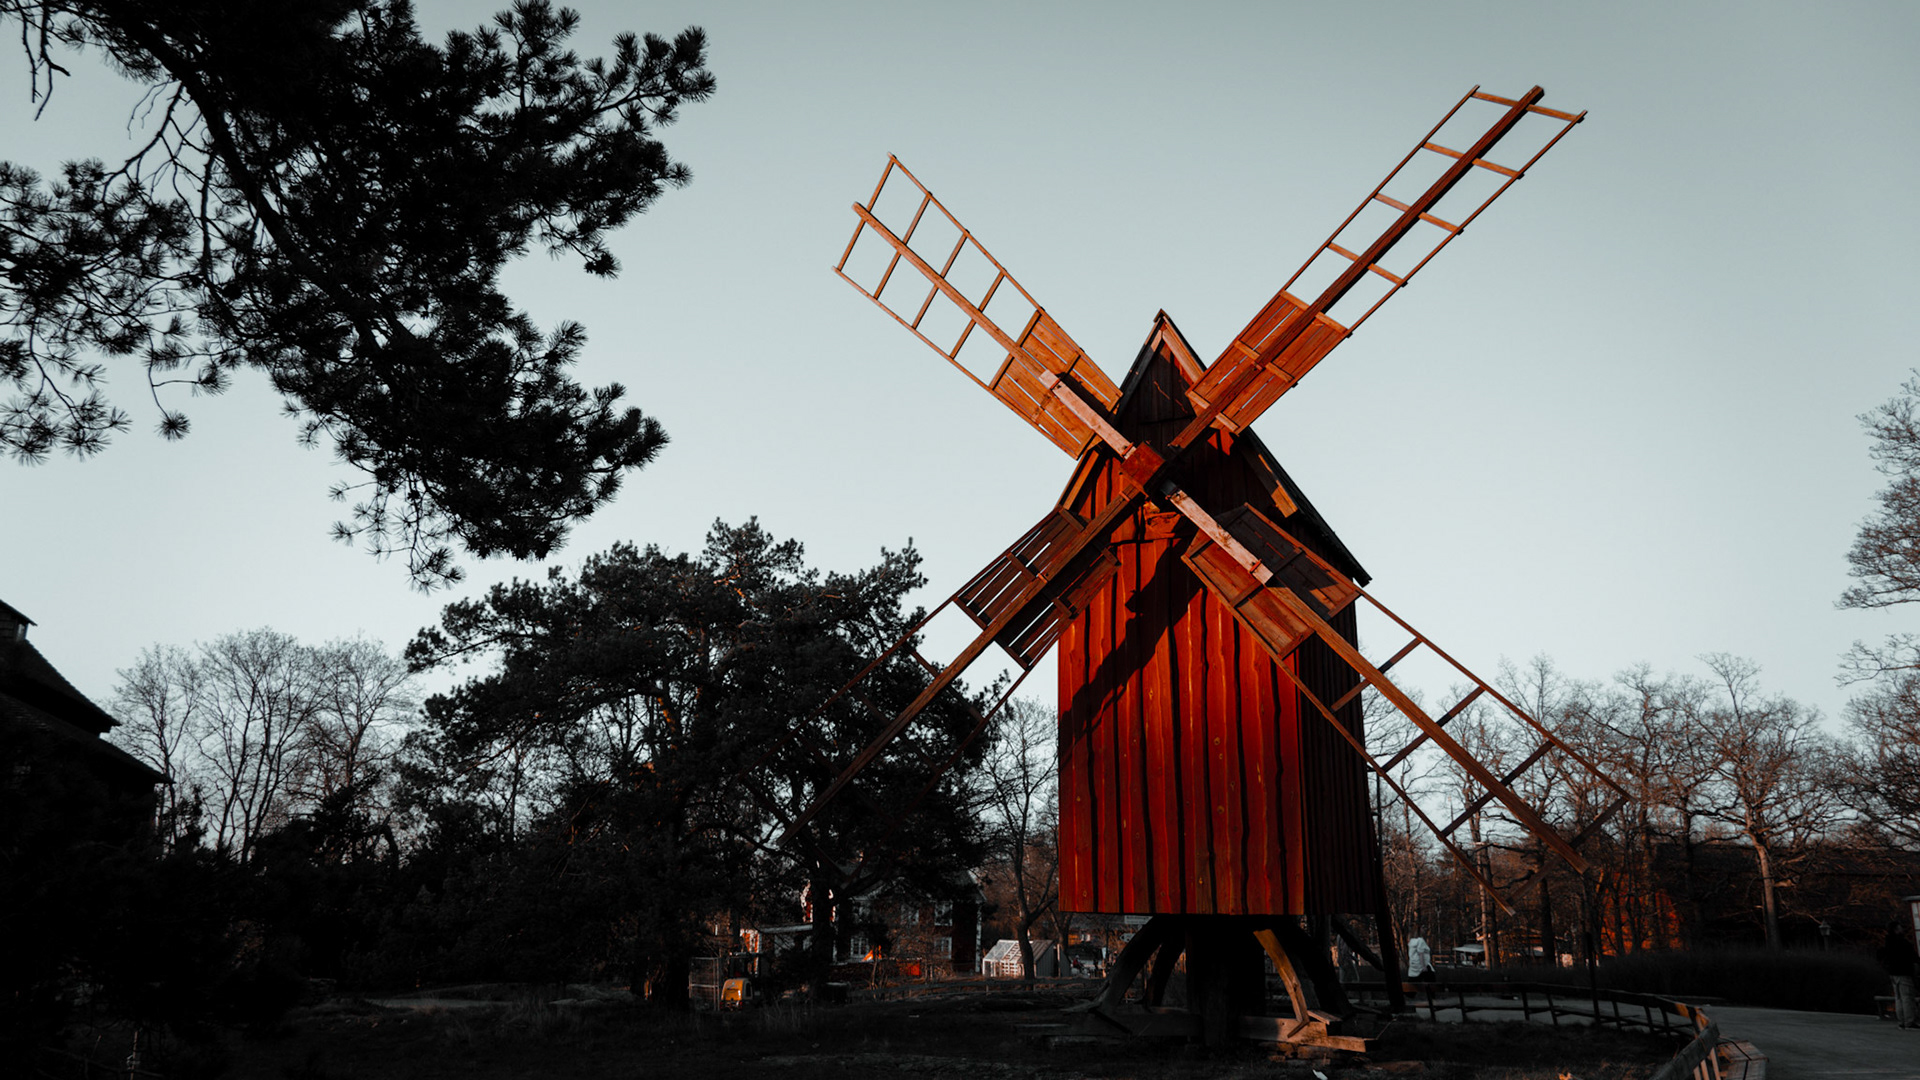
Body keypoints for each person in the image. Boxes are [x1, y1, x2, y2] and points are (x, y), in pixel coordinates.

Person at [1877, 919, 1918, 1029]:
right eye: (1900, 927)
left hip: (1893, 972)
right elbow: (1912, 956)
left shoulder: (1888, 943)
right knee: (1907, 997)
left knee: (1898, 997)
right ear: (1896, 930)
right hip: (1903, 972)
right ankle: (1910, 1021)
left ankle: (1901, 1021)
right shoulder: (1902, 943)